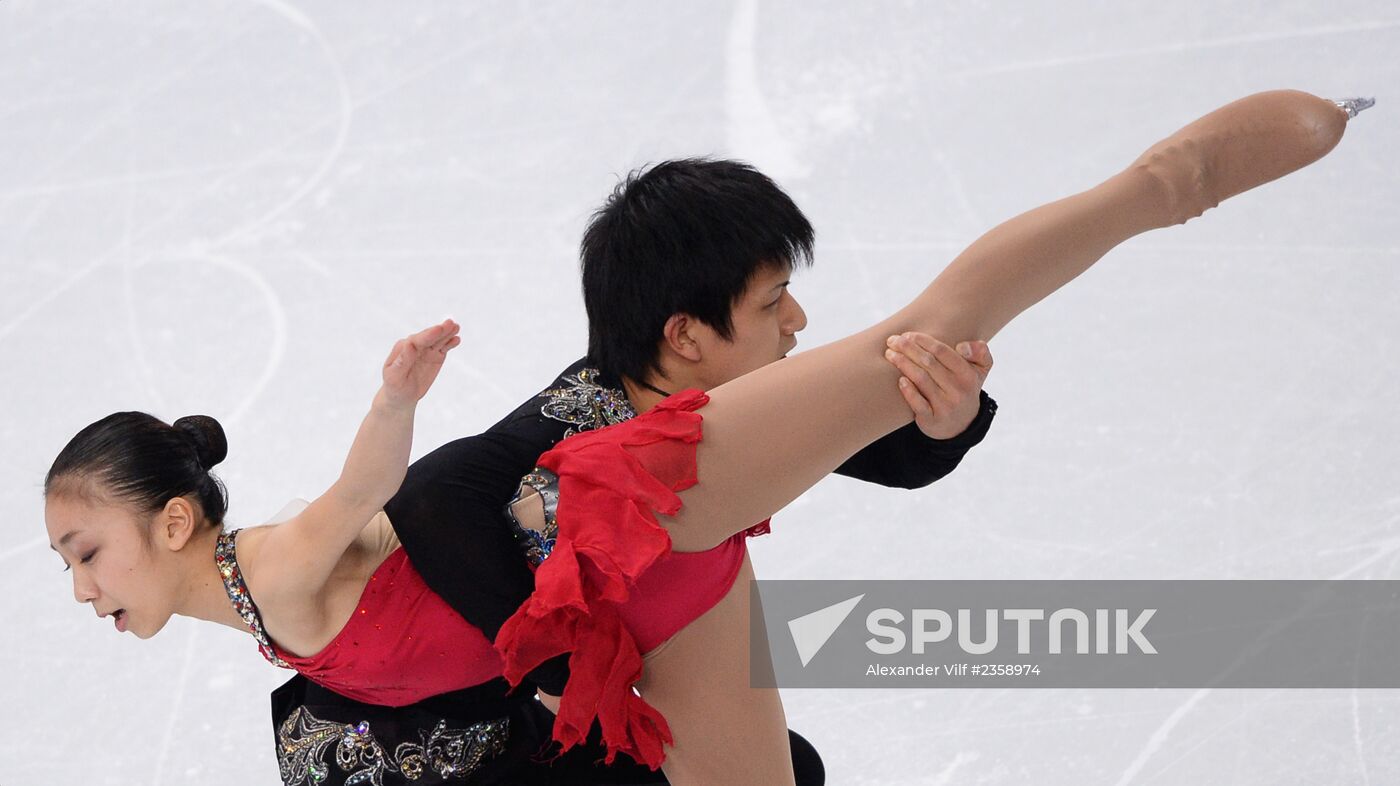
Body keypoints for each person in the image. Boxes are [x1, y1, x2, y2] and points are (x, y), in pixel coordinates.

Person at [44, 90, 1365, 785]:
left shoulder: (276, 565)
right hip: (654, 603)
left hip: (625, 520)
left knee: (927, 329)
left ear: (171, 520)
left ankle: (1162, 185)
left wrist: (394, 398)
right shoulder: (286, 650)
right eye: (770, 304)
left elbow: (364, 489)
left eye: (81, 548)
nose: (79, 582)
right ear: (683, 335)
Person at [266, 158, 999, 786]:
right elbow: (432, 495)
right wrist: (562, 669)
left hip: (491, 722)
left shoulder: (701, 396)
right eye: (773, 301)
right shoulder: (576, 418)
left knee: (787, 766)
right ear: (684, 333)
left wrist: (947, 420)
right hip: (412, 752)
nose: (798, 319)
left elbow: (876, 450)